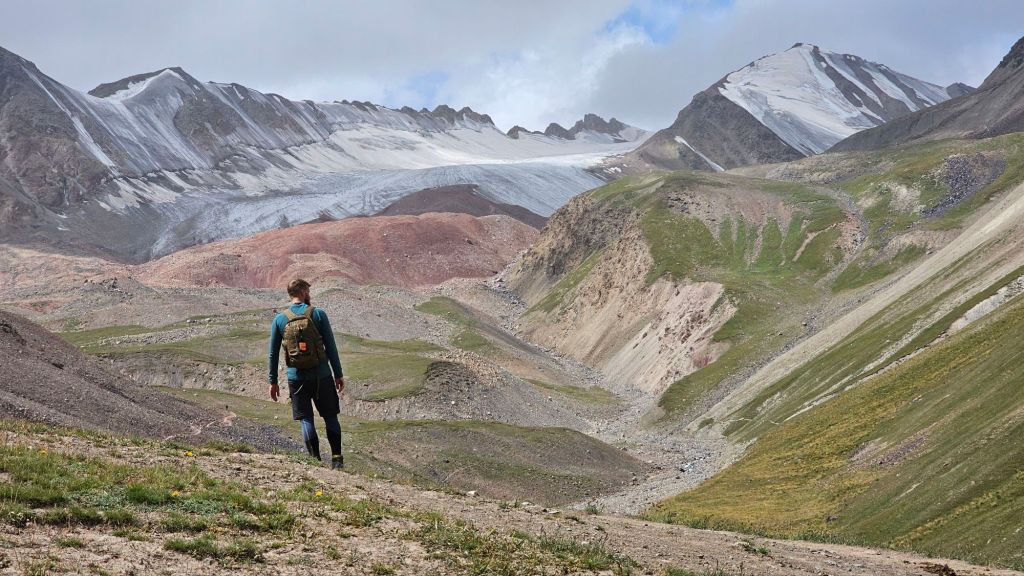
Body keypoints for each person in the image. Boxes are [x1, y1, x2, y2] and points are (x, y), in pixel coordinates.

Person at [268, 278, 346, 469]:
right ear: (302, 292)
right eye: (308, 290)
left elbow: (273, 352)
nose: (309, 294)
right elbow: (331, 347)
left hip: (297, 378)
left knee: (306, 420)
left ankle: (316, 461)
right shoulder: (318, 314)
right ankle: (336, 459)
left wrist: (273, 381)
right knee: (330, 416)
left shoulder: (280, 319)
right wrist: (338, 374)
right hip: (322, 375)